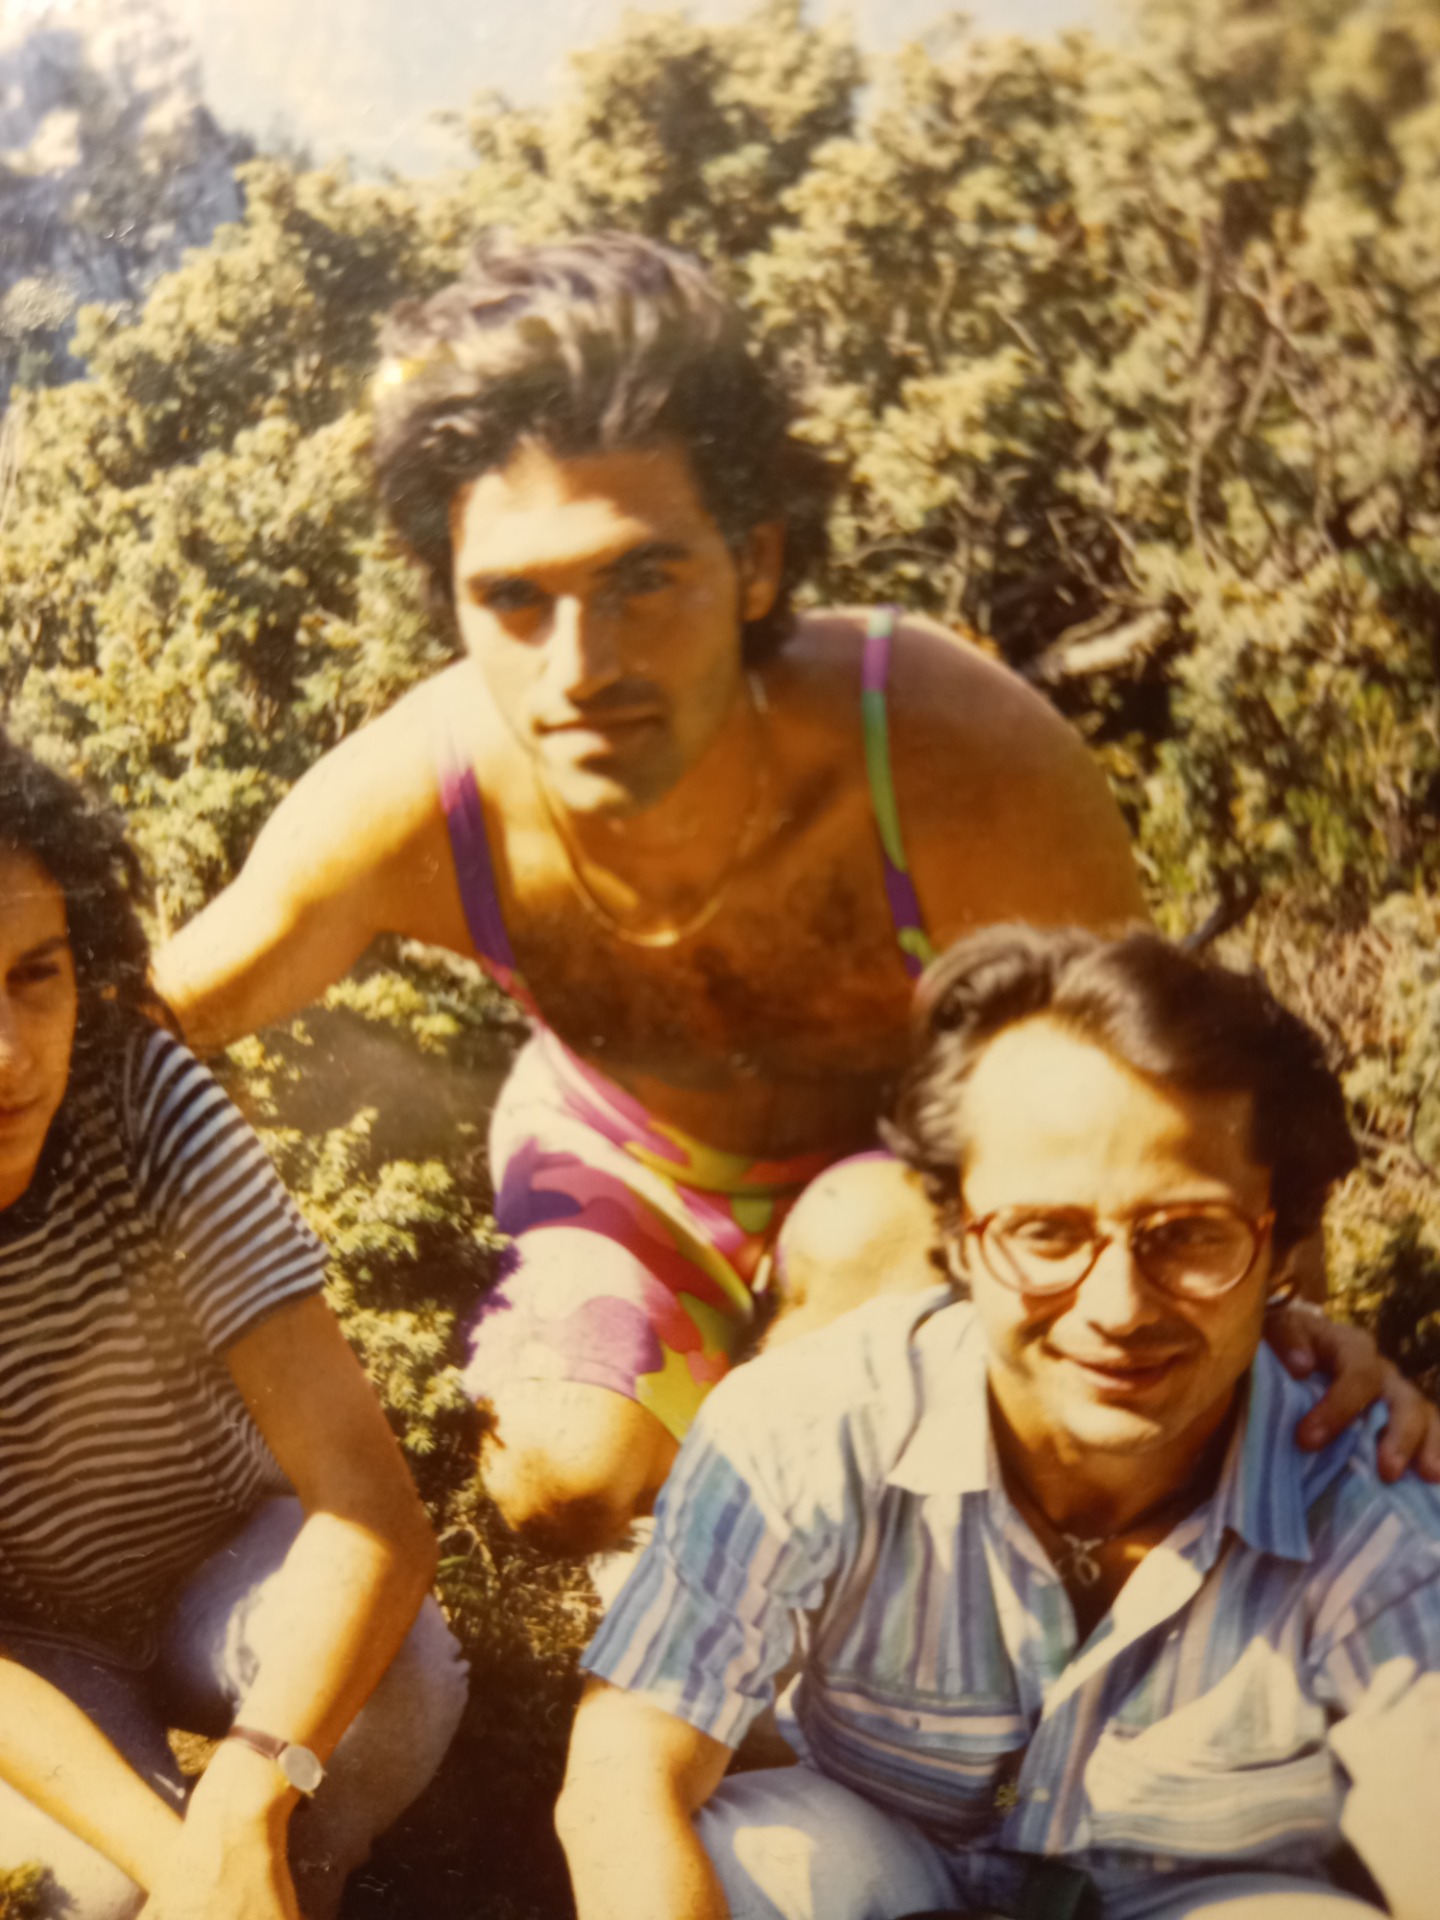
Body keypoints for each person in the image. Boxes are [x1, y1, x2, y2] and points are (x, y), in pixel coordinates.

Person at [152, 233, 1437, 1553]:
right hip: (622, 1153)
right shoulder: (415, 792)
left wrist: (1289, 1331)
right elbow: (123, 1020)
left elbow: (1163, 1078)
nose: (582, 664)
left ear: (756, 563)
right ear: (456, 601)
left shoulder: (947, 750)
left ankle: (796, 1548)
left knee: (857, 1277)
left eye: (643, 578)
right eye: (516, 599)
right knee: (559, 1478)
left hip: (903, 1167)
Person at [558, 925, 1440, 1920]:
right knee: (740, 1860)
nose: (1117, 1307)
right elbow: (624, 1779)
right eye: (1047, 1232)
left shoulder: (1378, 1495)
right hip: (884, 1846)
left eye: (1191, 1234)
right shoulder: (810, 1422)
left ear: (1283, 1248)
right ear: (957, 1235)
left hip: (1195, 1895)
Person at [0, 738, 468, 1920]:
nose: (8, 1055)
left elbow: (370, 1508)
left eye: (35, 975)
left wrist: (253, 1802)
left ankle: (306, 1880)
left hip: (225, 1559)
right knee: (79, 1891)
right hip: (28, 1649)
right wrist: (179, 1870)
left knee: (403, 1683)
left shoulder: (138, 1091)